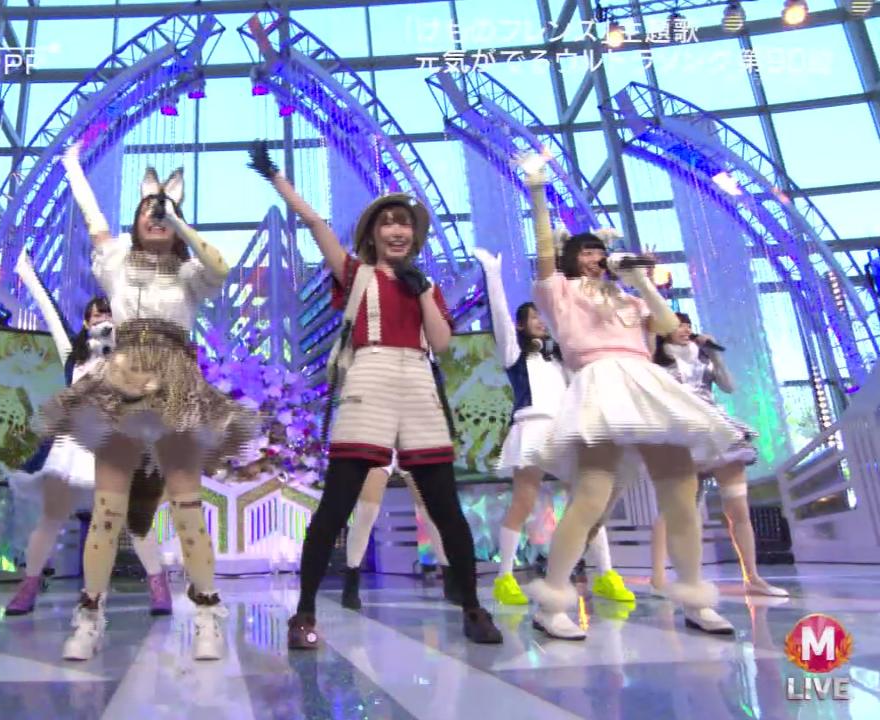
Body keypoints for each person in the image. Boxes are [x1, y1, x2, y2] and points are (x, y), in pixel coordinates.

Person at [247, 140, 502, 648]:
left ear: (414, 235)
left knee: (446, 506)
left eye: (404, 223)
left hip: (419, 379)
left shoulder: (426, 285)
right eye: (387, 222)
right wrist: (276, 178)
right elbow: (315, 223)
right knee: (336, 503)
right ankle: (304, 612)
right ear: (373, 234)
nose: (397, 229)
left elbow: (443, 343)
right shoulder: (355, 273)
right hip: (369, 376)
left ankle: (474, 607)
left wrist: (422, 289)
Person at [36, 142, 259, 661]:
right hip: (122, 379)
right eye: (148, 211)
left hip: (177, 383)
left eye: (165, 212)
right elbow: (93, 219)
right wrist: (72, 166)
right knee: (107, 511)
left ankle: (207, 615)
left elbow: (221, 266)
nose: (155, 217)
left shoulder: (189, 273)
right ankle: (90, 616)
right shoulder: (115, 260)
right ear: (134, 221)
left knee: (187, 507)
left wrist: (176, 219)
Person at [519, 157, 738, 639]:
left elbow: (667, 327)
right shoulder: (559, 291)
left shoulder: (630, 298)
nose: (597, 258)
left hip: (646, 383)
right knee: (591, 495)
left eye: (601, 251)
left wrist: (640, 281)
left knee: (681, 492)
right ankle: (553, 599)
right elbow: (543, 252)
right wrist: (537, 191)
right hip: (600, 381)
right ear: (573, 256)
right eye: (587, 251)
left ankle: (695, 597)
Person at [4, 252, 170, 617]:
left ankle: (159, 587)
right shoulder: (74, 353)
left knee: (135, 520)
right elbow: (49, 311)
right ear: (85, 321)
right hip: (73, 446)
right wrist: (27, 272)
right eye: (95, 315)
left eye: (107, 313)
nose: (101, 319)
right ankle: (28, 585)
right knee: (51, 517)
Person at [473, 247, 634, 606]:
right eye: (534, 317)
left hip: (565, 430)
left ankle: (605, 574)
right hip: (530, 429)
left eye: (543, 317)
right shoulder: (514, 355)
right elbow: (500, 317)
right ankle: (505, 578)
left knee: (588, 500)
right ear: (522, 325)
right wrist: (493, 275)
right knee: (524, 501)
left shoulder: (563, 357)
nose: (541, 322)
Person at [649, 313, 788, 598]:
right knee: (675, 511)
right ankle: (659, 578)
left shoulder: (703, 359)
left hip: (719, 431)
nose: (685, 329)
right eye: (678, 325)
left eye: (688, 325)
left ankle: (753, 577)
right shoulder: (655, 364)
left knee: (738, 509)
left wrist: (715, 355)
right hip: (681, 435)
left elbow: (729, 387)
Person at [340, 458, 458, 609]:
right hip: (380, 448)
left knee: (430, 511)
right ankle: (351, 582)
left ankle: (451, 579)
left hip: (411, 448)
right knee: (367, 512)